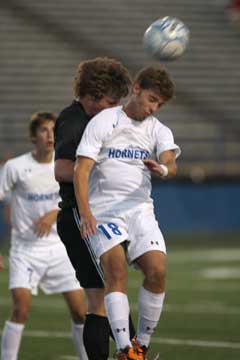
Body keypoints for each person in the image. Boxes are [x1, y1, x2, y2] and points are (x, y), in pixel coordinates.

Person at [73, 64, 181, 360]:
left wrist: (163, 168)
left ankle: (140, 347)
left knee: (157, 271)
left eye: (159, 103)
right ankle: (124, 350)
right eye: (151, 99)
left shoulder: (158, 129)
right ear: (136, 89)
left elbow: (170, 161)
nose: (153, 107)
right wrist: (86, 213)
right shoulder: (105, 121)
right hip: (105, 212)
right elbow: (82, 170)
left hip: (140, 211)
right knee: (116, 271)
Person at [54, 57, 135, 360]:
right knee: (98, 297)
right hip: (79, 216)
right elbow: (61, 169)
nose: (114, 106)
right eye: (109, 100)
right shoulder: (73, 120)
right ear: (91, 93)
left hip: (106, 215)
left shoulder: (106, 119)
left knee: (114, 288)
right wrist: (96, 166)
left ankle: (133, 350)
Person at [0, 112, 88, 360]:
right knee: (21, 309)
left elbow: (78, 199)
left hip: (60, 249)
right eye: (44, 131)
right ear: (32, 136)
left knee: (80, 312)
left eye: (53, 131)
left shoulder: (65, 165)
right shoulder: (15, 167)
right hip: (25, 251)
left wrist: (53, 212)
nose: (50, 136)